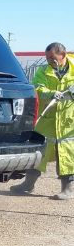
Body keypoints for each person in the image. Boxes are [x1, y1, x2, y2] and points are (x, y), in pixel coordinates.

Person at [12, 42, 74, 199]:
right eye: (47, 58)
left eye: (52, 58)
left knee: (66, 154)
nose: (49, 61)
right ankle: (28, 184)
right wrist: (52, 93)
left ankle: (67, 189)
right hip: (47, 121)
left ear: (63, 55)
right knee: (39, 152)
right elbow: (38, 88)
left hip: (68, 121)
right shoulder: (43, 71)